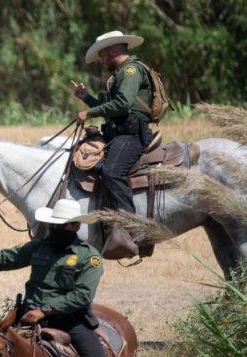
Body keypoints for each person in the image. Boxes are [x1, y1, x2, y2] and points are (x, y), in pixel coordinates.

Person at [0, 199, 105, 357]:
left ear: (76, 226)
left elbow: (83, 295)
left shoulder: (88, 257)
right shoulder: (38, 247)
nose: (54, 229)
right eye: (51, 225)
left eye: (60, 226)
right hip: (28, 317)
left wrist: (44, 310)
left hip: (70, 320)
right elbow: (6, 258)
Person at [70, 30, 154, 257]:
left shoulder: (130, 71)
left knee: (112, 172)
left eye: (102, 55)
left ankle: (132, 230)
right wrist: (86, 97)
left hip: (130, 136)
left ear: (113, 51)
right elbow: (113, 109)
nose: (101, 60)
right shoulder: (120, 75)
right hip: (118, 134)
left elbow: (123, 104)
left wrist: (89, 112)